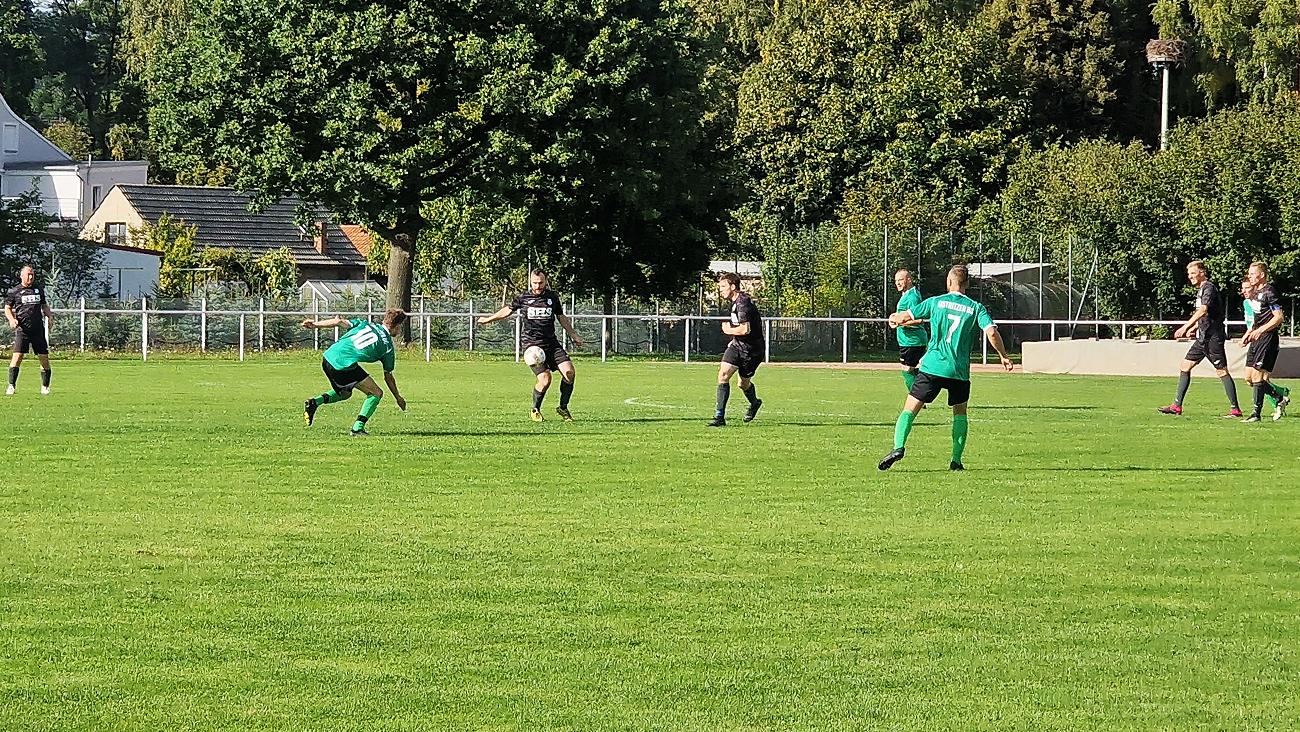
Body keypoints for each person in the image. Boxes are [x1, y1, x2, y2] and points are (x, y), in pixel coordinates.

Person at [878, 265, 1014, 471]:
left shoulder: (936, 302)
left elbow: (904, 317)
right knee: (960, 414)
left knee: (909, 410)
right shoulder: (976, 308)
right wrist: (1003, 356)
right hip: (959, 372)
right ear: (967, 284)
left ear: (949, 282)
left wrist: (893, 318)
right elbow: (992, 332)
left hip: (933, 367)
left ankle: (898, 447)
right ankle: (956, 460)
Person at [477, 269, 583, 422]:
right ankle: (535, 409)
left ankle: (563, 407)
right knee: (545, 380)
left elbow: (561, 317)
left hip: (552, 344)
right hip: (532, 347)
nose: (538, 286)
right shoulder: (523, 297)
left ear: (545, 281)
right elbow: (507, 310)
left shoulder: (552, 297)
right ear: (530, 282)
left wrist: (573, 334)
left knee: (569, 373)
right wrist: (489, 319)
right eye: (535, 283)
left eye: (541, 283)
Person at [301, 309, 408, 436]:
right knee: (376, 393)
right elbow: (388, 376)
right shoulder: (387, 346)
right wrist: (398, 397)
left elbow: (339, 321)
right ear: (396, 325)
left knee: (345, 393)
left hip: (329, 357)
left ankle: (314, 402)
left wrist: (314, 325)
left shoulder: (365, 324)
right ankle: (357, 428)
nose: (400, 330)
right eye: (401, 327)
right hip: (343, 364)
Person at [1158, 260, 1241, 417]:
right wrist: (1196, 328)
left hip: (1213, 338)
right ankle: (1176, 406)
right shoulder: (1201, 290)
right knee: (1185, 366)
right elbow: (1208, 315)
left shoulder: (1209, 288)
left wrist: (1185, 327)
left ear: (1202, 272)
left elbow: (1203, 310)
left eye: (1193, 273)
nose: (1190, 277)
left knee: (1222, 371)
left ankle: (1235, 409)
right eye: (1189, 274)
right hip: (1202, 337)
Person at [709, 271, 765, 427]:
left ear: (733, 286)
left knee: (742, 383)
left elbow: (745, 329)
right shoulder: (735, 301)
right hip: (737, 346)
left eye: (723, 286)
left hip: (752, 351)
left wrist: (728, 330)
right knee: (723, 374)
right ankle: (719, 417)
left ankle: (754, 403)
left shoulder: (742, 303)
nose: (720, 290)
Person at [1240, 262, 1289, 422]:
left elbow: (1279, 317)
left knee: (1257, 377)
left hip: (1267, 339)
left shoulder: (1269, 292)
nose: (1250, 276)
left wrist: (1261, 330)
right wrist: (1249, 333)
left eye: (1253, 274)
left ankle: (1256, 414)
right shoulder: (1254, 294)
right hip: (1256, 338)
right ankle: (1279, 396)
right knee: (1248, 378)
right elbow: (1257, 318)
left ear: (1261, 275)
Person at [5, 265, 54, 396]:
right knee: (17, 357)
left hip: (38, 330)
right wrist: (11, 320)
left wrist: (49, 316)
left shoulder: (38, 290)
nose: (31, 277)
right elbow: (7, 308)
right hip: (23, 330)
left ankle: (45, 387)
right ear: (22, 276)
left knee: (44, 358)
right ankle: (11, 385)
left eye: (32, 274)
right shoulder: (14, 291)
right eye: (28, 274)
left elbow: (44, 305)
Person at [891, 269, 927, 394]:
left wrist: (899, 322)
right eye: (896, 281)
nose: (898, 283)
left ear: (909, 280)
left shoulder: (912, 297)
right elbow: (904, 315)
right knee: (911, 370)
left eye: (900, 280)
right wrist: (895, 317)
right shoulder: (907, 295)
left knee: (906, 371)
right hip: (908, 341)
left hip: (912, 341)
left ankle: (918, 399)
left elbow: (919, 319)